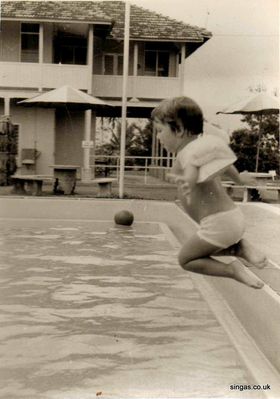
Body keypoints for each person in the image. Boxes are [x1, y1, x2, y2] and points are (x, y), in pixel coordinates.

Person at [151, 96, 267, 289]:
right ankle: (240, 247)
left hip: (219, 224)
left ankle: (232, 270)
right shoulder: (199, 148)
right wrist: (239, 179)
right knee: (204, 249)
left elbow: (202, 172)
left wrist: (190, 179)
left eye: (160, 131)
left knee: (186, 259)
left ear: (178, 130)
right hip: (230, 220)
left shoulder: (187, 153)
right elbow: (223, 163)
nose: (158, 137)